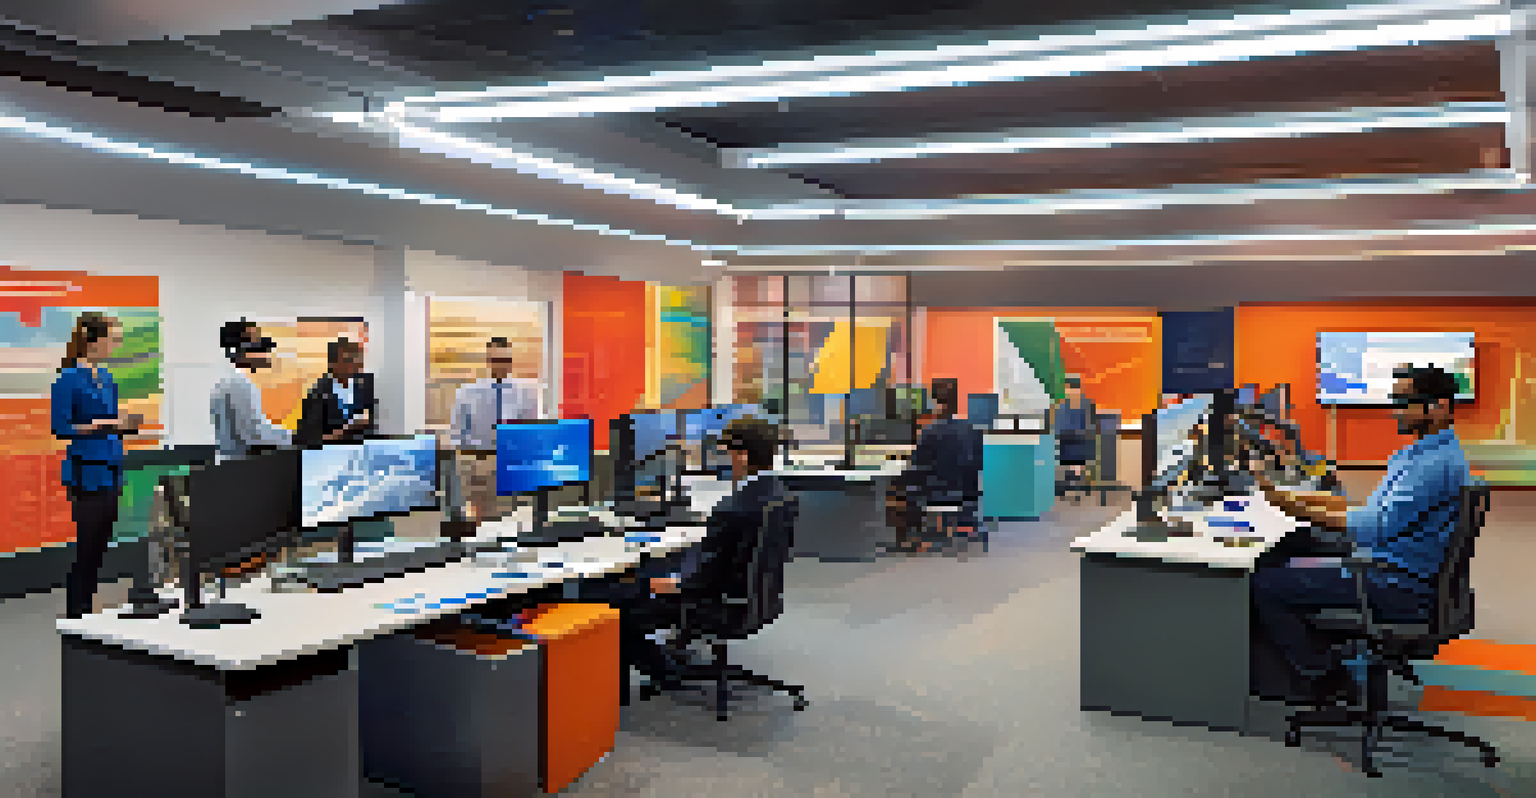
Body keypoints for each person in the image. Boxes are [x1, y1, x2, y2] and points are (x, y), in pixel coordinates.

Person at [1251, 365, 1471, 705]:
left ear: (1438, 406)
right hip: (1398, 570)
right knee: (1296, 548)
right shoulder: (1424, 454)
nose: (1395, 411)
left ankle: (1324, 677)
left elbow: (1370, 527)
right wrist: (1293, 497)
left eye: (1405, 402)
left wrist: (1295, 510)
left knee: (1264, 583)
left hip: (1396, 583)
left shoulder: (1432, 466)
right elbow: (1370, 510)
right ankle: (1326, 661)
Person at [597, 417, 790, 690]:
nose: (723, 461)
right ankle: (667, 662)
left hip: (721, 604)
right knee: (651, 574)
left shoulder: (732, 508)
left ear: (743, 457)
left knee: (613, 597)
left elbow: (705, 577)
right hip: (756, 600)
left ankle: (665, 672)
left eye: (726, 453)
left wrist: (673, 583)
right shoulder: (779, 494)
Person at [51, 313, 144, 618]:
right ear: (93, 340)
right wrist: (103, 423)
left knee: (99, 546)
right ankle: (77, 613)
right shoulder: (67, 378)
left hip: (111, 467)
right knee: (87, 547)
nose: (115, 345)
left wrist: (123, 425)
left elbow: (110, 422)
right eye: (112, 339)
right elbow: (61, 427)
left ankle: (86, 610)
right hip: (86, 472)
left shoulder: (106, 377)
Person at [448, 337, 542, 525]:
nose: (501, 366)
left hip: (512, 464)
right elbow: (458, 435)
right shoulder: (467, 392)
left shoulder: (526, 392)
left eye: (506, 360)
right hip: (479, 464)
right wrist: (475, 460)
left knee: (513, 522)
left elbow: (530, 432)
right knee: (481, 524)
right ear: (488, 361)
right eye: (496, 360)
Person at [889, 378, 983, 553]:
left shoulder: (929, 432)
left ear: (934, 402)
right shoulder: (972, 430)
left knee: (896, 490)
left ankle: (908, 539)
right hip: (966, 494)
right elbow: (979, 463)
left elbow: (916, 464)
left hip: (936, 493)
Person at [210, 319, 292, 461]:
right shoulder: (239, 382)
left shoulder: (228, 380)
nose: (267, 352)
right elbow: (254, 434)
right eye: (258, 344)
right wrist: (294, 437)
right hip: (241, 467)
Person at [297, 337, 377, 447]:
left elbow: (382, 426)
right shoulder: (317, 395)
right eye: (348, 359)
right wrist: (347, 430)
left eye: (357, 358)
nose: (355, 363)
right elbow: (306, 438)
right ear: (332, 364)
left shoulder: (368, 387)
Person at [1055, 375, 1097, 492]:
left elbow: (1089, 428)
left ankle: (1075, 475)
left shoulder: (1085, 406)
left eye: (1070, 389)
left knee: (1076, 446)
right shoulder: (1063, 407)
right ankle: (1075, 475)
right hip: (1069, 442)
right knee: (1070, 446)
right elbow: (1059, 428)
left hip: (1079, 442)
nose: (1069, 392)